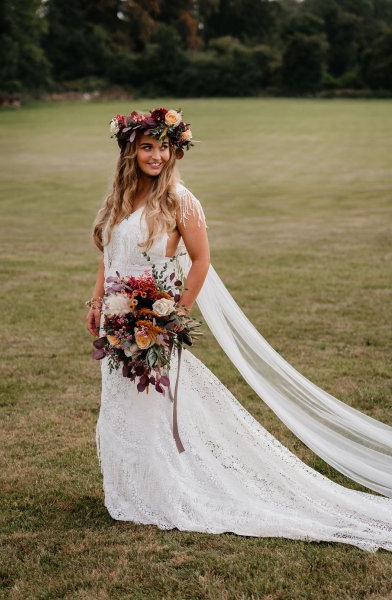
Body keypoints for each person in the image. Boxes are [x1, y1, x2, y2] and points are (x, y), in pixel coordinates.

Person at [87, 107, 392, 552]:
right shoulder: (119, 201)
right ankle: (133, 489)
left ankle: (165, 489)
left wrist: (173, 316)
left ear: (175, 151)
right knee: (122, 404)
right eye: (147, 147)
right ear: (130, 151)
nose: (156, 155)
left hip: (154, 322)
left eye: (163, 147)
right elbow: (109, 257)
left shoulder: (179, 201)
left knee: (153, 406)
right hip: (117, 321)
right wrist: (96, 301)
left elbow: (201, 260)